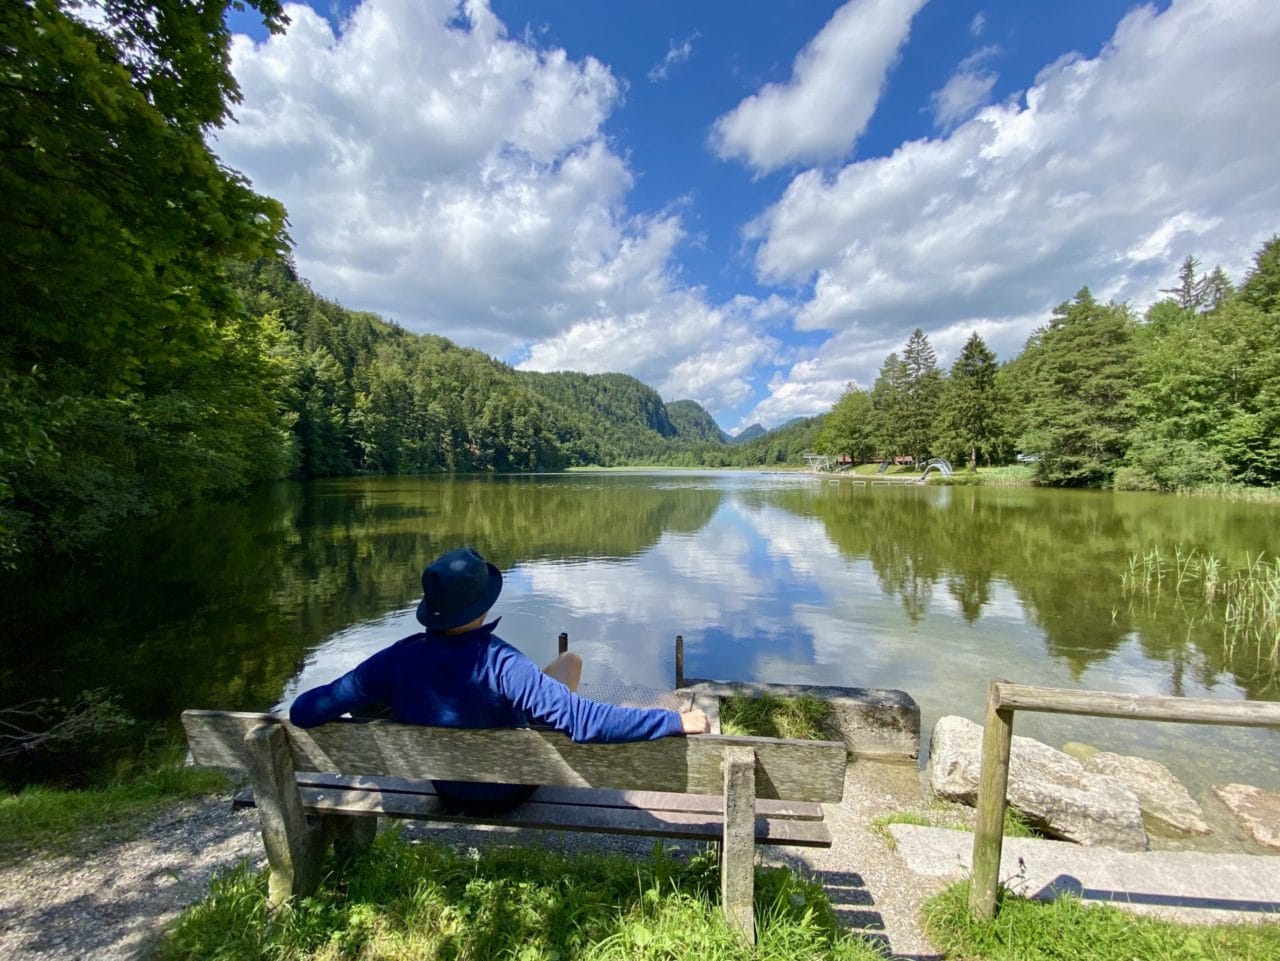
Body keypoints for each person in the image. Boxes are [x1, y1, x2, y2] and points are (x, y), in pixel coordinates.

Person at [290, 546, 709, 813]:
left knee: (566, 662)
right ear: (481, 608)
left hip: (449, 790)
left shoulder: (395, 660)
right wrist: (672, 720)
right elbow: (584, 722)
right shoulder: (502, 663)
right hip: (507, 790)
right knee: (570, 664)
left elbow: (305, 710)